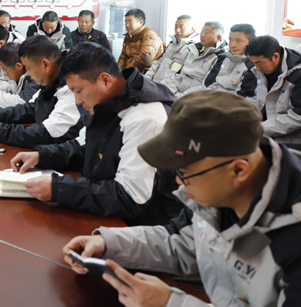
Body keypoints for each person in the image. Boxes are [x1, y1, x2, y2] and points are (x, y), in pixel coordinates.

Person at [63, 90, 301, 307]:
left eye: (184, 173)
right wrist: (108, 243)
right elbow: (179, 241)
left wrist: (170, 303)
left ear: (238, 170)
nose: (178, 181)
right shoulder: (218, 192)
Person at [11, 42, 181, 225]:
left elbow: (130, 196)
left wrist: (57, 188)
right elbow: (81, 146)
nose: (77, 100)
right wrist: (40, 156)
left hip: (142, 227)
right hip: (107, 212)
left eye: (79, 91)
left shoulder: (147, 117)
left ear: (105, 80)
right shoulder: (107, 103)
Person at [0, 36, 81, 148]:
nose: (27, 73)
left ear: (45, 65)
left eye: (28, 68)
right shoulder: (50, 82)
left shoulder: (72, 88)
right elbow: (31, 108)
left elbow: (47, 134)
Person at [241, 35, 301, 149]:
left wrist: (257, 128)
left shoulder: (298, 74)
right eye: (254, 63)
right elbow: (255, 97)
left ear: (276, 56)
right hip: (267, 126)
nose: (257, 68)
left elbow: (297, 117)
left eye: (259, 63)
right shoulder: (260, 70)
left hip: (290, 137)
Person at [181, 23, 256, 96]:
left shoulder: (251, 67)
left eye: (238, 41)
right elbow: (214, 85)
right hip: (211, 98)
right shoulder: (227, 60)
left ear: (250, 42)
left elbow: (240, 97)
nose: (233, 45)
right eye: (230, 40)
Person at [162, 21, 227, 96]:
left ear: (218, 37)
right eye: (202, 31)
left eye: (206, 32)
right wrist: (167, 93)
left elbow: (205, 87)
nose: (202, 35)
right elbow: (179, 76)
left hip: (194, 97)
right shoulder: (193, 49)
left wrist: (178, 97)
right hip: (177, 93)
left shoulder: (220, 58)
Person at [0, 42, 40, 108]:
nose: (5, 74)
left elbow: (22, 101)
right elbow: (13, 87)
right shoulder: (18, 74)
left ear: (18, 66)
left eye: (6, 70)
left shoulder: (35, 76)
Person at [144, 14, 198, 83]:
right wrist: (146, 79)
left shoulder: (194, 49)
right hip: (155, 83)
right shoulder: (172, 43)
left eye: (181, 27)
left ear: (192, 29)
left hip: (169, 86)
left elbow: (182, 76)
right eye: (176, 26)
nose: (177, 30)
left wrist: (159, 86)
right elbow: (158, 63)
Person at [118, 8, 163, 73]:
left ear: (141, 22)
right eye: (126, 21)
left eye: (130, 21)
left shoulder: (149, 34)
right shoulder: (129, 35)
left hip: (145, 73)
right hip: (130, 72)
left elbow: (145, 59)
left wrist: (126, 73)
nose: (127, 25)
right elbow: (123, 57)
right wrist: (119, 72)